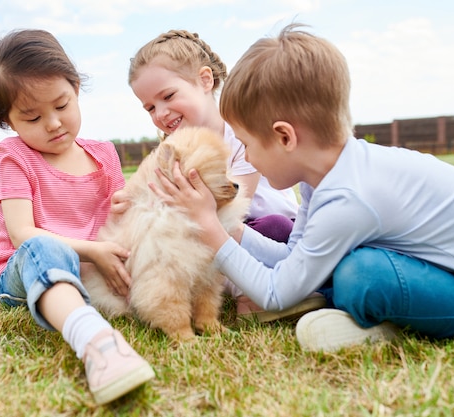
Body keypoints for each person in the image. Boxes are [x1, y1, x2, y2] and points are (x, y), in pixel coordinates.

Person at [151, 23, 454, 352]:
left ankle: (387, 328)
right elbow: (290, 256)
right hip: (429, 266)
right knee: (339, 268)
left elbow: (275, 292)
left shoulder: (347, 198)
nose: (249, 159)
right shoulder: (326, 179)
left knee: (360, 277)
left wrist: (211, 229)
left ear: (285, 137)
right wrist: (230, 230)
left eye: (247, 145)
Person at [0, 29, 154, 405]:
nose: (54, 123)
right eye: (33, 117)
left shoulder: (104, 154)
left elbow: (119, 218)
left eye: (61, 105)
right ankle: (98, 344)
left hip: (94, 268)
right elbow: (23, 233)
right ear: (8, 121)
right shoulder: (13, 157)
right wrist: (94, 252)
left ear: (75, 87)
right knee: (44, 247)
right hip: (27, 269)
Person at [125, 29, 325, 323]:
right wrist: (129, 198)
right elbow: (155, 188)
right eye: (150, 107)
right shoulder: (173, 149)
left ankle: (256, 295)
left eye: (168, 96)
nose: (161, 113)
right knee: (182, 246)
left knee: (271, 227)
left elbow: (234, 200)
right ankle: (240, 294)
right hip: (213, 230)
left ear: (205, 80)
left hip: (262, 226)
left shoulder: (241, 131)